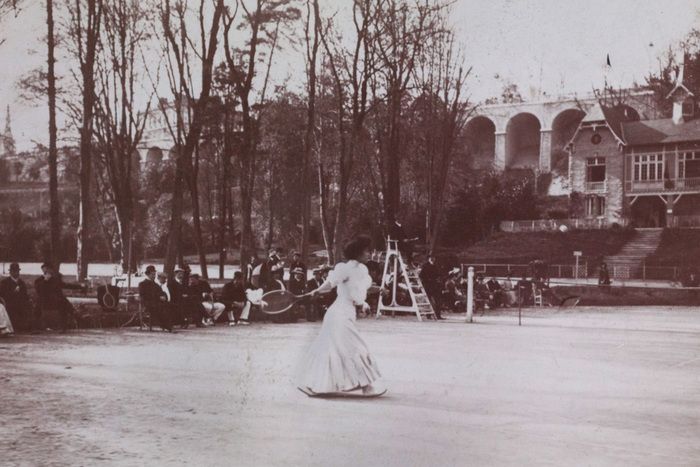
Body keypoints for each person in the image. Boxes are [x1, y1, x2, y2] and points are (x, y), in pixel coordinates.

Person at [297, 235, 385, 397]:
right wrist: (316, 290)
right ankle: (367, 387)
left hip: (348, 314)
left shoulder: (362, 270)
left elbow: (362, 288)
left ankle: (316, 386)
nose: (369, 254)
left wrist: (378, 290)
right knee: (355, 347)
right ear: (357, 253)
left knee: (333, 350)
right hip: (338, 315)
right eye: (366, 251)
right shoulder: (344, 269)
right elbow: (331, 284)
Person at [34, 263, 85, 333]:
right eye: (45, 271)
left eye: (48, 270)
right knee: (38, 304)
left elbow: (66, 285)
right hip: (44, 301)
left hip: (55, 301)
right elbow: (39, 290)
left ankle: (67, 324)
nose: (47, 272)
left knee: (62, 301)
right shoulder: (39, 280)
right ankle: (35, 328)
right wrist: (45, 280)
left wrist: (79, 286)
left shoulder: (55, 280)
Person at [138, 265, 173, 332]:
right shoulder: (142, 284)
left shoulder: (156, 285)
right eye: (152, 274)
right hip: (147, 303)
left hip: (157, 302)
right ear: (148, 274)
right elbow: (143, 296)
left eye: (154, 274)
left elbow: (162, 292)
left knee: (168, 305)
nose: (154, 276)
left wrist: (164, 297)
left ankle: (168, 324)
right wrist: (158, 297)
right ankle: (166, 325)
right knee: (160, 307)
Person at [0, 263, 31, 332]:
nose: (16, 273)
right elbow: (2, 294)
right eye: (14, 271)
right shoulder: (5, 282)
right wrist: (13, 292)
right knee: (13, 309)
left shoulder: (21, 282)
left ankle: (23, 326)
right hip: (9, 302)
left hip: (21, 303)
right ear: (10, 272)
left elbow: (25, 295)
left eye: (17, 271)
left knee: (25, 307)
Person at [419, 254, 443, 319]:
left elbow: (439, 274)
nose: (432, 259)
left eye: (433, 257)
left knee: (438, 300)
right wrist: (426, 281)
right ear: (428, 258)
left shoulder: (436, 266)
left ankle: (438, 315)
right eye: (431, 258)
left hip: (435, 285)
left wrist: (438, 279)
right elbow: (421, 275)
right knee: (428, 300)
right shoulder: (425, 266)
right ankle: (428, 315)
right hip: (428, 285)